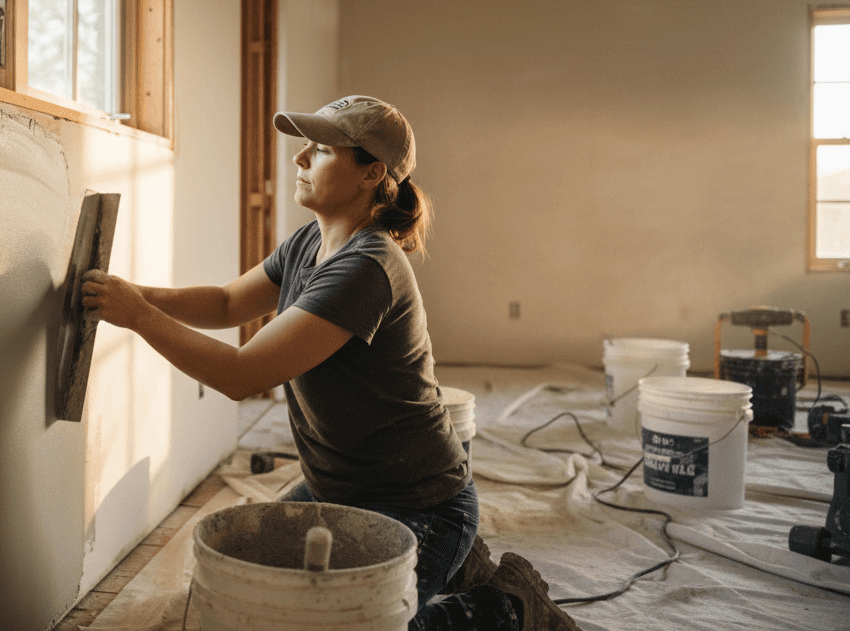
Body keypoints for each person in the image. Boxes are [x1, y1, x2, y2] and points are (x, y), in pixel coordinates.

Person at [81, 95, 580, 631]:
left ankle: (507, 606)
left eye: (320, 149)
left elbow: (241, 375)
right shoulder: (308, 243)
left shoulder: (366, 268)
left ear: (372, 173)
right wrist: (131, 294)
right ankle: (458, 566)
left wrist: (136, 315)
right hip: (337, 491)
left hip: (420, 504)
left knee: (352, 627)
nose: (299, 158)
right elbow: (226, 304)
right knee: (259, 602)